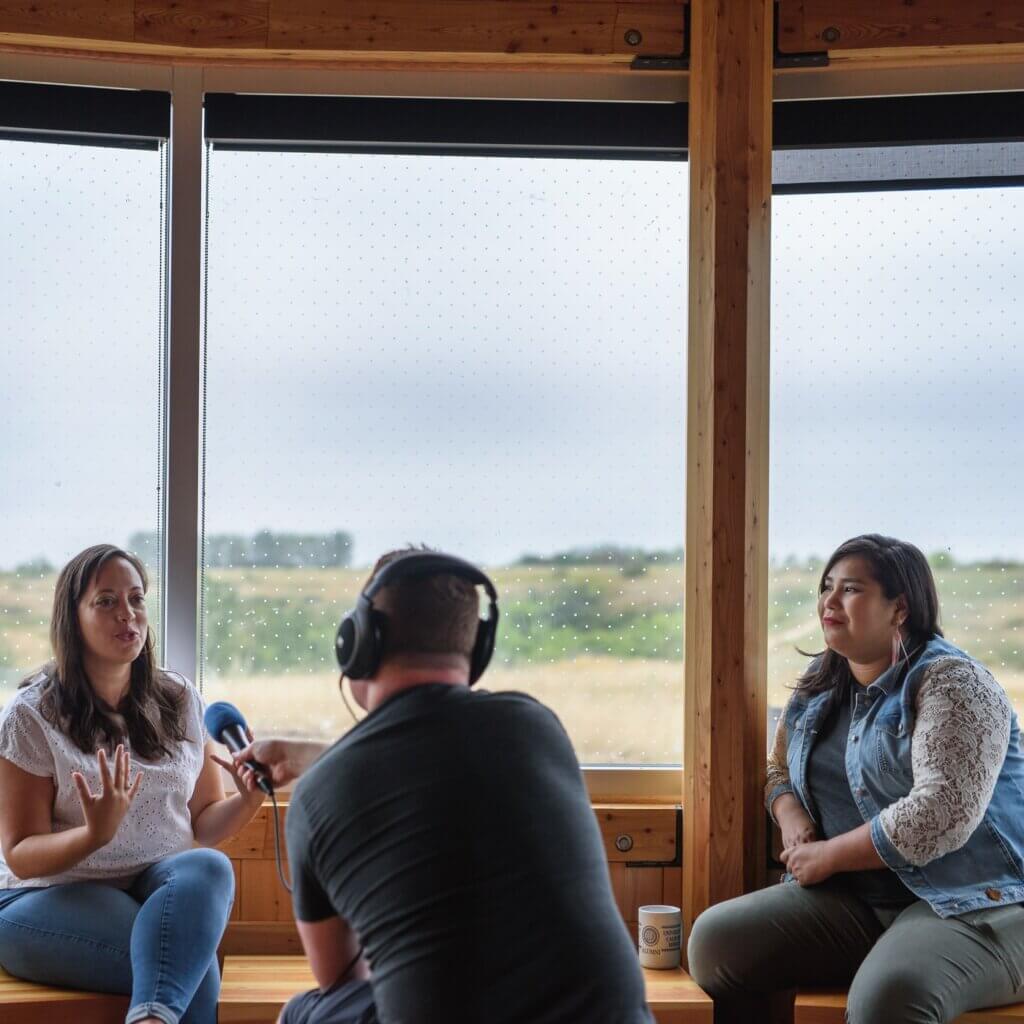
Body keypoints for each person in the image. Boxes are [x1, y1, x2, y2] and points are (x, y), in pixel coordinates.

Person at [232, 547, 654, 1024]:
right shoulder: (536, 727)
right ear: (478, 649)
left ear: (361, 641)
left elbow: (337, 976)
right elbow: (431, 757)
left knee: (304, 1011)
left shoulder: (317, 799)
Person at [687, 534, 1024, 1024]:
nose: (829, 600)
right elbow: (776, 766)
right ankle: (892, 951)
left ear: (899, 608)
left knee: (889, 997)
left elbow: (940, 813)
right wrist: (790, 813)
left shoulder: (954, 682)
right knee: (716, 943)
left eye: (851, 589)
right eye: (827, 586)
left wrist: (826, 856)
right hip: (859, 903)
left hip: (978, 901)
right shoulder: (818, 686)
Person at [0, 544, 267, 1024]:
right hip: (45, 897)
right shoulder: (29, 716)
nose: (128, 614)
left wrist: (248, 800)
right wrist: (92, 835)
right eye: (106, 601)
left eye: (137, 599)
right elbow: (20, 852)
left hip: (155, 889)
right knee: (194, 969)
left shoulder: (181, 699)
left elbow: (203, 825)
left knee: (208, 867)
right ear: (72, 617)